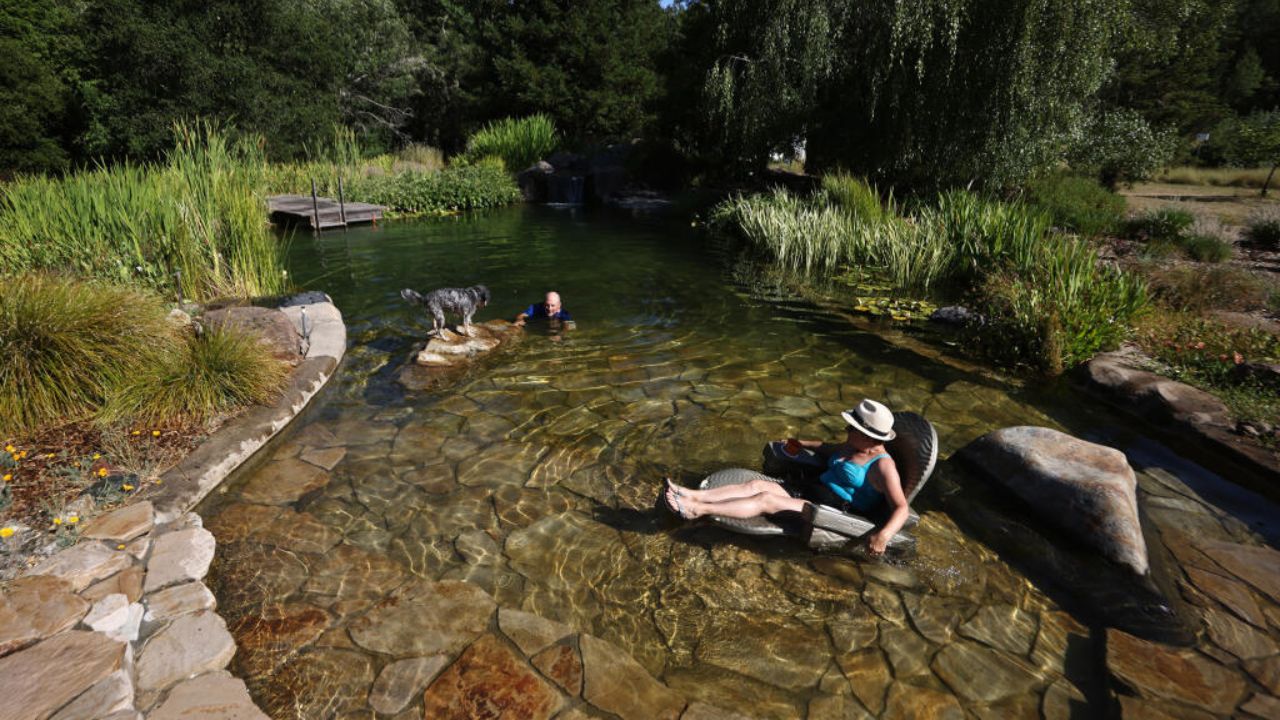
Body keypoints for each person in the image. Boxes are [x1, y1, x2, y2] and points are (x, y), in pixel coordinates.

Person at [662, 399, 911, 557]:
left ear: (868, 436)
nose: (846, 430)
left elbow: (901, 507)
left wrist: (884, 536)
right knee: (756, 484)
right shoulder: (852, 446)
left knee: (765, 499)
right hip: (813, 489)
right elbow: (826, 448)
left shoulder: (883, 467)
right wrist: (799, 443)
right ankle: (691, 494)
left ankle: (698, 510)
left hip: (833, 507)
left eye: (851, 428)